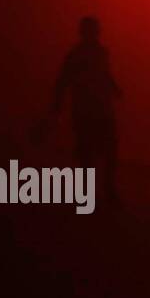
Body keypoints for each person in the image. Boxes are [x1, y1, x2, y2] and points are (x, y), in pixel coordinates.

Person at [51, 16, 122, 208]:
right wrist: (57, 106)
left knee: (108, 150)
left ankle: (107, 190)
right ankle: (90, 192)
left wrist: (115, 89)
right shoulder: (76, 55)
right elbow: (63, 80)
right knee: (88, 153)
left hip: (101, 110)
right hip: (85, 110)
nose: (95, 34)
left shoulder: (100, 52)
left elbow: (105, 74)